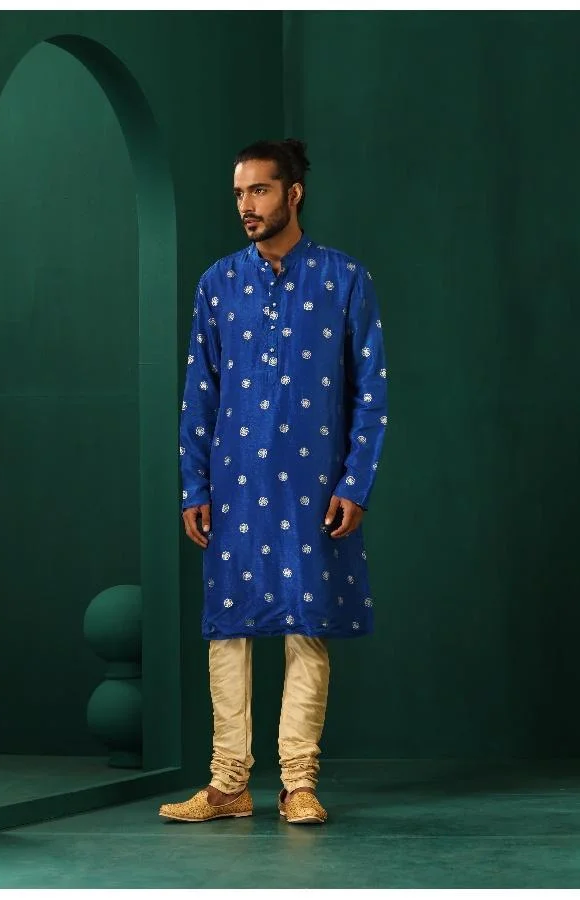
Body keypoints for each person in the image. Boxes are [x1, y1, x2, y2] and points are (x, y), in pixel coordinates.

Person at [159, 138, 388, 826]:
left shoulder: (344, 280)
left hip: (315, 484)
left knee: (306, 624)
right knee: (228, 629)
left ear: (294, 193)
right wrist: (194, 486)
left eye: (259, 191)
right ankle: (227, 782)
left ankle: (298, 783)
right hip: (233, 482)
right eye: (239, 194)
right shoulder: (218, 284)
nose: (246, 206)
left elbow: (370, 391)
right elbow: (199, 393)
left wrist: (355, 482)